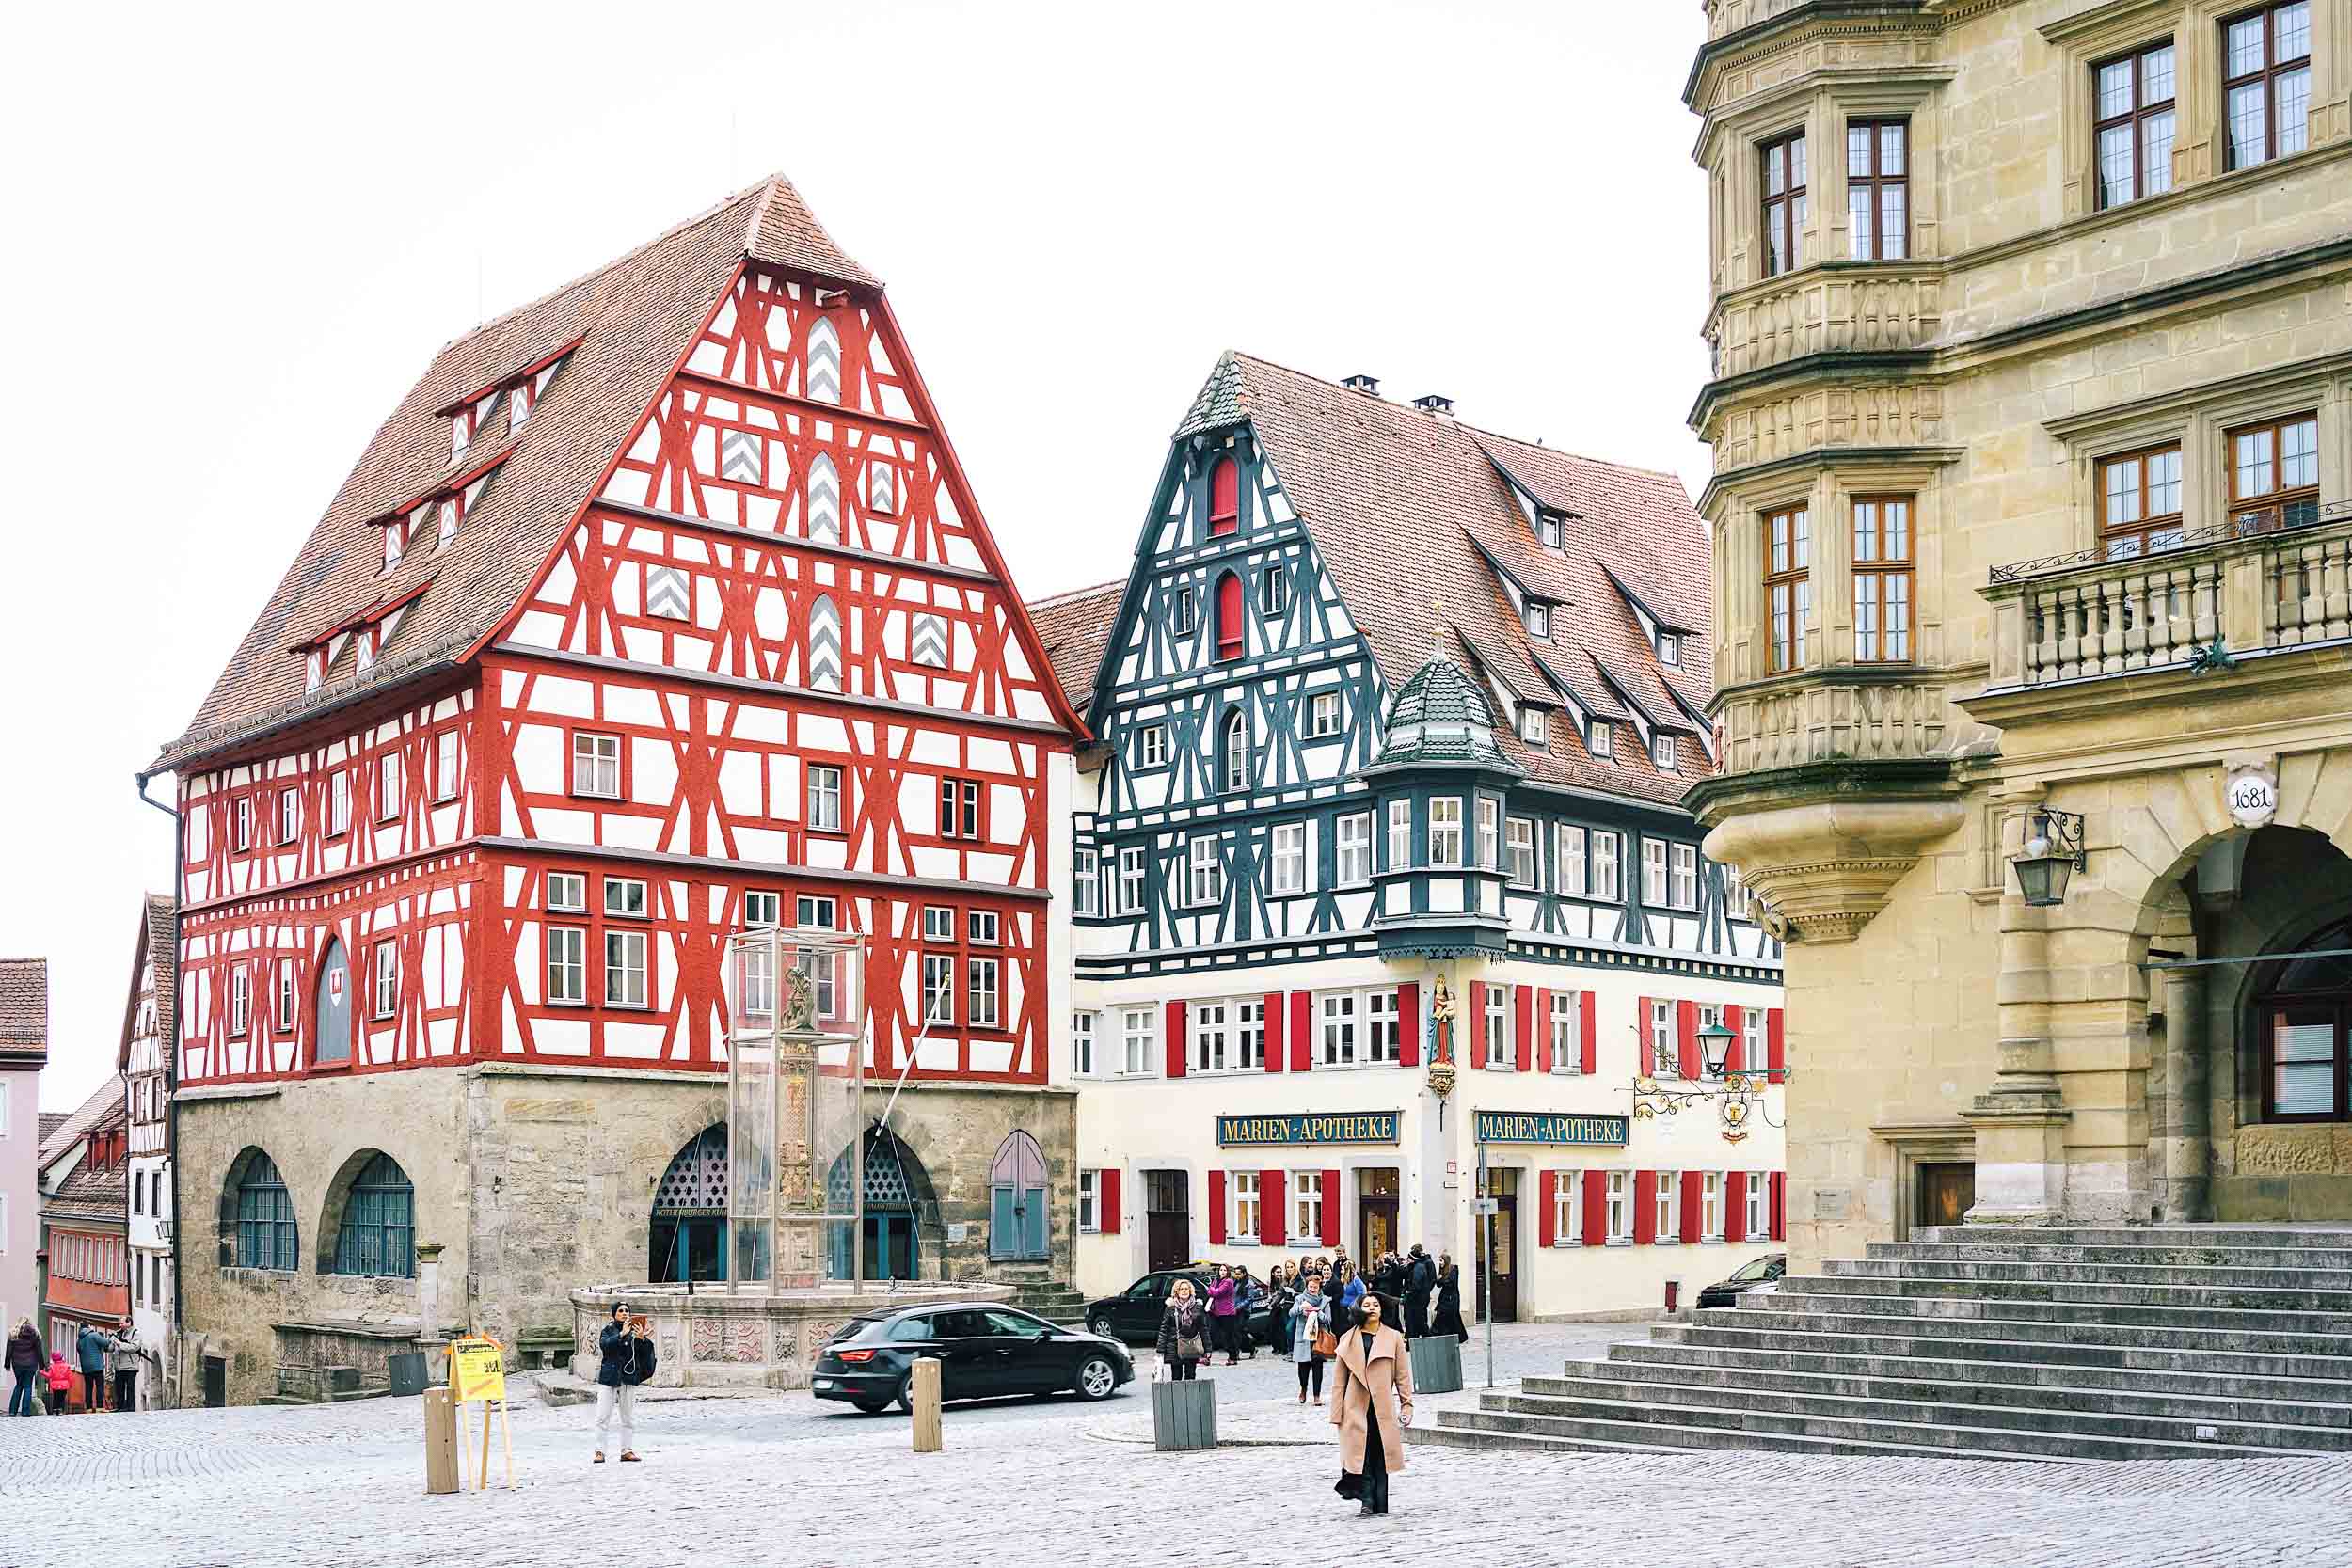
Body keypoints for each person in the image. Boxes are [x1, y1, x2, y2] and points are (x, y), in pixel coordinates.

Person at [1328, 1290, 1413, 1517]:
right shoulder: (1348, 1339)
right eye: (1367, 1305)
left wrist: (1407, 1405)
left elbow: (1403, 1376)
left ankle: (1380, 1502)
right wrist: (1336, 1412)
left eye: (1376, 1304)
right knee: (1360, 1454)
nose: (1373, 1307)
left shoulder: (1394, 1337)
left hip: (1382, 1406)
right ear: (1359, 1310)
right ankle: (1366, 1500)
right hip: (1355, 1406)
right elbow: (1339, 1380)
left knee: (1380, 1454)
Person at [594, 1301, 652, 1463]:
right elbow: (605, 1346)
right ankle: (600, 1451)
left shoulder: (634, 1332)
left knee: (628, 1418)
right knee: (602, 1417)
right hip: (609, 1378)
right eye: (620, 1311)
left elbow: (642, 1356)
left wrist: (643, 1339)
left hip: (628, 1378)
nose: (624, 1313)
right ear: (614, 1314)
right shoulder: (608, 1330)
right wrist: (620, 1335)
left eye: (627, 1311)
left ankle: (626, 1450)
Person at [1156, 1276, 1209, 1381]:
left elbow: (1203, 1329)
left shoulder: (1197, 1307)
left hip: (1191, 1346)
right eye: (1181, 1289)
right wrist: (1160, 1350)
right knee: (1176, 1378)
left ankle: (1190, 1397)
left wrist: (1208, 1349)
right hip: (1174, 1346)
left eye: (1186, 1289)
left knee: (1190, 1377)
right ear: (1176, 1291)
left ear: (1190, 1291)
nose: (1184, 1291)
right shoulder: (1171, 1307)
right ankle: (1177, 1397)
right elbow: (1164, 1329)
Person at [1290, 1275, 1330, 1406]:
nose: (1313, 1289)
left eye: (1315, 1287)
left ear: (1319, 1288)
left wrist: (1317, 1312)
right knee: (1303, 1368)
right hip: (1304, 1337)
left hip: (1318, 1338)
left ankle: (1317, 1396)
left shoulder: (1325, 1301)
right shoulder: (1299, 1299)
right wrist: (1302, 1308)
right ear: (1307, 1286)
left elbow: (1328, 1320)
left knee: (1318, 1367)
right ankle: (1303, 1389)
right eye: (1310, 1287)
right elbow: (1291, 1313)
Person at [5, 1320, 42, 1417]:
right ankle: (25, 1412)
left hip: (17, 1364)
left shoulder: (13, 1334)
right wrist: (42, 1366)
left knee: (18, 1385)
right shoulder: (35, 1334)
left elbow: (9, 1351)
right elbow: (39, 1351)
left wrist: (7, 1364)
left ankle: (13, 1411)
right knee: (28, 1386)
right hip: (31, 1364)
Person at [1205, 1265, 1241, 1367]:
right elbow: (1209, 1292)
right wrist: (1212, 1289)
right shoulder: (1217, 1280)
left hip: (1227, 1313)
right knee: (1212, 1333)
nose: (1223, 1272)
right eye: (1221, 1270)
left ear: (1228, 1272)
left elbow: (1217, 1293)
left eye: (1225, 1270)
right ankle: (1206, 1356)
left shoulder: (1228, 1282)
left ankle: (1233, 1357)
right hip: (1216, 1312)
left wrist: (1211, 1288)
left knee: (1228, 1336)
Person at [1432, 1251, 1469, 1343]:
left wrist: (1441, 1279)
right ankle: (1446, 1335)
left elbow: (1450, 1282)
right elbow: (1439, 1284)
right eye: (1439, 1261)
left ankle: (1460, 1337)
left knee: (1452, 1317)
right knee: (1447, 1317)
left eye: (1441, 1261)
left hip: (1452, 1298)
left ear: (1446, 1261)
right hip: (1445, 1297)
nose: (1440, 1263)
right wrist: (1439, 1279)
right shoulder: (1442, 1269)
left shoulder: (1453, 1269)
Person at [109, 1321, 144, 1414]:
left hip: (130, 1366)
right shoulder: (119, 1333)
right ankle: (120, 1407)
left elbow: (133, 1348)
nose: (119, 1325)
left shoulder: (135, 1333)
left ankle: (130, 1408)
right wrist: (109, 1343)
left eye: (122, 1323)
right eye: (119, 1323)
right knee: (119, 1388)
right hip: (119, 1366)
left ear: (129, 1323)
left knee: (130, 1388)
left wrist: (119, 1343)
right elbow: (111, 1348)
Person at [1404, 1245, 1436, 1339]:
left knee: (1419, 1322)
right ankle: (1412, 1342)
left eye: (1408, 1258)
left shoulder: (1419, 1268)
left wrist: (1408, 1294)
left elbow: (1416, 1286)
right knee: (1415, 1322)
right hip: (1417, 1300)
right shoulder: (1415, 1267)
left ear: (1412, 1259)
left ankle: (1428, 1340)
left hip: (1418, 1300)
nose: (1407, 1260)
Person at [76, 1321, 108, 1414]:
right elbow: (105, 1343)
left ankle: (89, 1408)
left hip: (86, 1368)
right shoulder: (94, 1335)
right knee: (99, 1386)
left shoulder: (79, 1340)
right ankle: (99, 1407)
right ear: (89, 1326)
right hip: (97, 1366)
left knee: (88, 1388)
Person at [43, 1351, 73, 1416]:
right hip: (64, 1385)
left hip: (55, 1385)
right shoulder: (67, 1366)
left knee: (56, 1397)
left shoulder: (52, 1367)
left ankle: (54, 1410)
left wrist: (42, 1372)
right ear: (61, 1357)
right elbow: (70, 1377)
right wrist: (70, 1385)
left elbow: (49, 1375)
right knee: (62, 1398)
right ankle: (61, 1411)